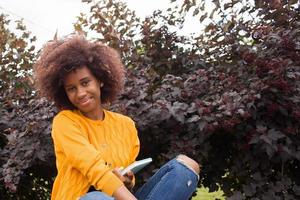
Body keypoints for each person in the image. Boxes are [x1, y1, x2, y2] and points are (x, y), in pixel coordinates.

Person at [34, 34, 200, 200]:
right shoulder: (65, 122)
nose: (81, 93)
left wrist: (127, 180)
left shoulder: (125, 125)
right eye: (71, 88)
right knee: (97, 198)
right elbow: (94, 169)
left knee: (185, 167)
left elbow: (127, 172)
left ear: (100, 80)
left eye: (85, 83)